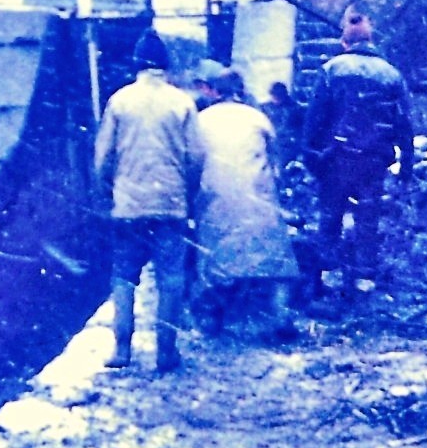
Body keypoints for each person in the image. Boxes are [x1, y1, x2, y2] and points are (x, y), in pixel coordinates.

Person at [94, 28, 202, 373]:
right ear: (166, 66)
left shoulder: (119, 101)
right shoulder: (182, 102)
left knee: (124, 276)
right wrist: (187, 191)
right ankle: (165, 352)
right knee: (171, 278)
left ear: (137, 64)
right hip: (171, 204)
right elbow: (196, 157)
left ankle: (122, 349)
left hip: (129, 205)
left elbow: (103, 158)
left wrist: (114, 187)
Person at [301, 5, 414, 302]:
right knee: (368, 221)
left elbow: (315, 118)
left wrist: (311, 155)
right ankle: (365, 282)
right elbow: (404, 125)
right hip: (374, 161)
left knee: (330, 219)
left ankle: (328, 281)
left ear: (344, 42)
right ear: (372, 41)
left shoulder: (331, 70)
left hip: (336, 158)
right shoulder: (392, 75)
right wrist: (406, 167)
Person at [191, 70, 300, 341]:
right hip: (257, 201)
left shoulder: (199, 121)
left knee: (212, 257)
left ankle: (213, 315)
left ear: (214, 92)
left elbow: (191, 164)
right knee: (277, 259)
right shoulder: (257, 118)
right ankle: (281, 314)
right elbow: (276, 164)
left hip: (216, 202)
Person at [260, 81, 304, 170]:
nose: (276, 99)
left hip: (288, 145)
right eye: (274, 96)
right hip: (270, 144)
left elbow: (301, 130)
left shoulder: (295, 108)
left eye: (279, 96)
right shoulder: (265, 108)